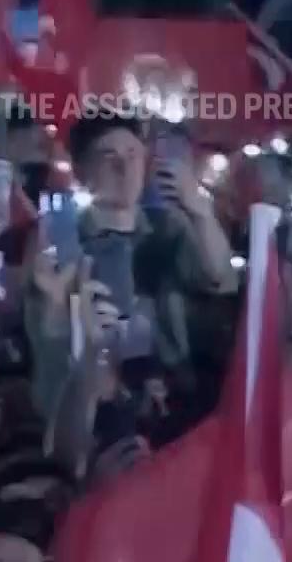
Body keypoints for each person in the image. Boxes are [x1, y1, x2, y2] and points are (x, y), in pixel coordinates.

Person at [24, 109, 238, 422]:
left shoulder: (168, 226)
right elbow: (48, 351)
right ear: (82, 171)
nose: (124, 167)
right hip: (97, 409)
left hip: (176, 398)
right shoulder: (62, 239)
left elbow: (221, 279)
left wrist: (200, 212)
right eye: (108, 156)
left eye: (133, 154)